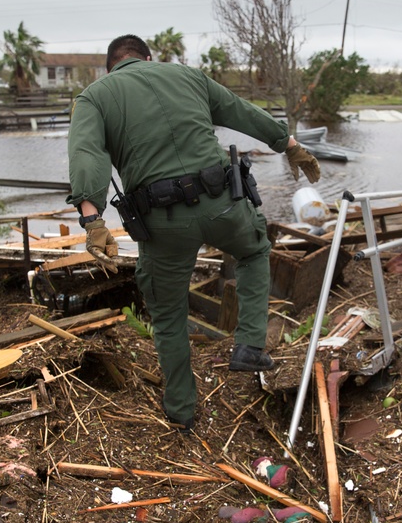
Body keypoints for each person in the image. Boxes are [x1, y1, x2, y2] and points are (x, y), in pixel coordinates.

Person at [66, 34, 321, 433]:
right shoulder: (188, 76)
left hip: (163, 221)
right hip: (223, 201)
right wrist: (288, 144)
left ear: (110, 67)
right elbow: (241, 112)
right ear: (148, 58)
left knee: (168, 315)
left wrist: (92, 220)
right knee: (254, 253)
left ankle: (182, 411)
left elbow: (87, 155)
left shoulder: (94, 97)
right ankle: (251, 345)